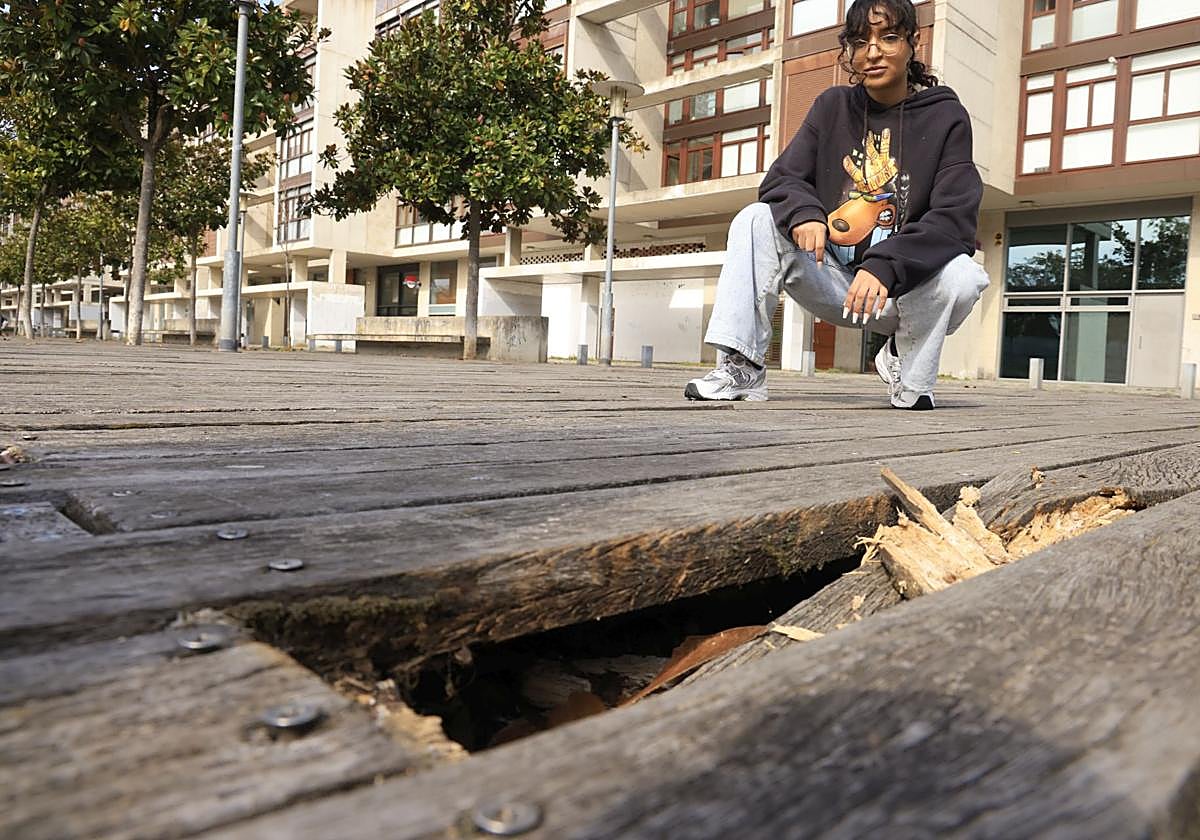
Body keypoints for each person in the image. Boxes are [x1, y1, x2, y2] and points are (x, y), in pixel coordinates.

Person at [685, 0, 989, 410]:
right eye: (862, 41)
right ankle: (743, 365)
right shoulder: (832, 107)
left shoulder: (946, 118)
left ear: (914, 43)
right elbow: (782, 178)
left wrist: (886, 264)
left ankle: (904, 358)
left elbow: (954, 219)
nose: (874, 52)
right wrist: (805, 215)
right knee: (756, 219)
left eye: (890, 38)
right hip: (832, 279)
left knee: (965, 276)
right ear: (850, 50)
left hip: (900, 293)